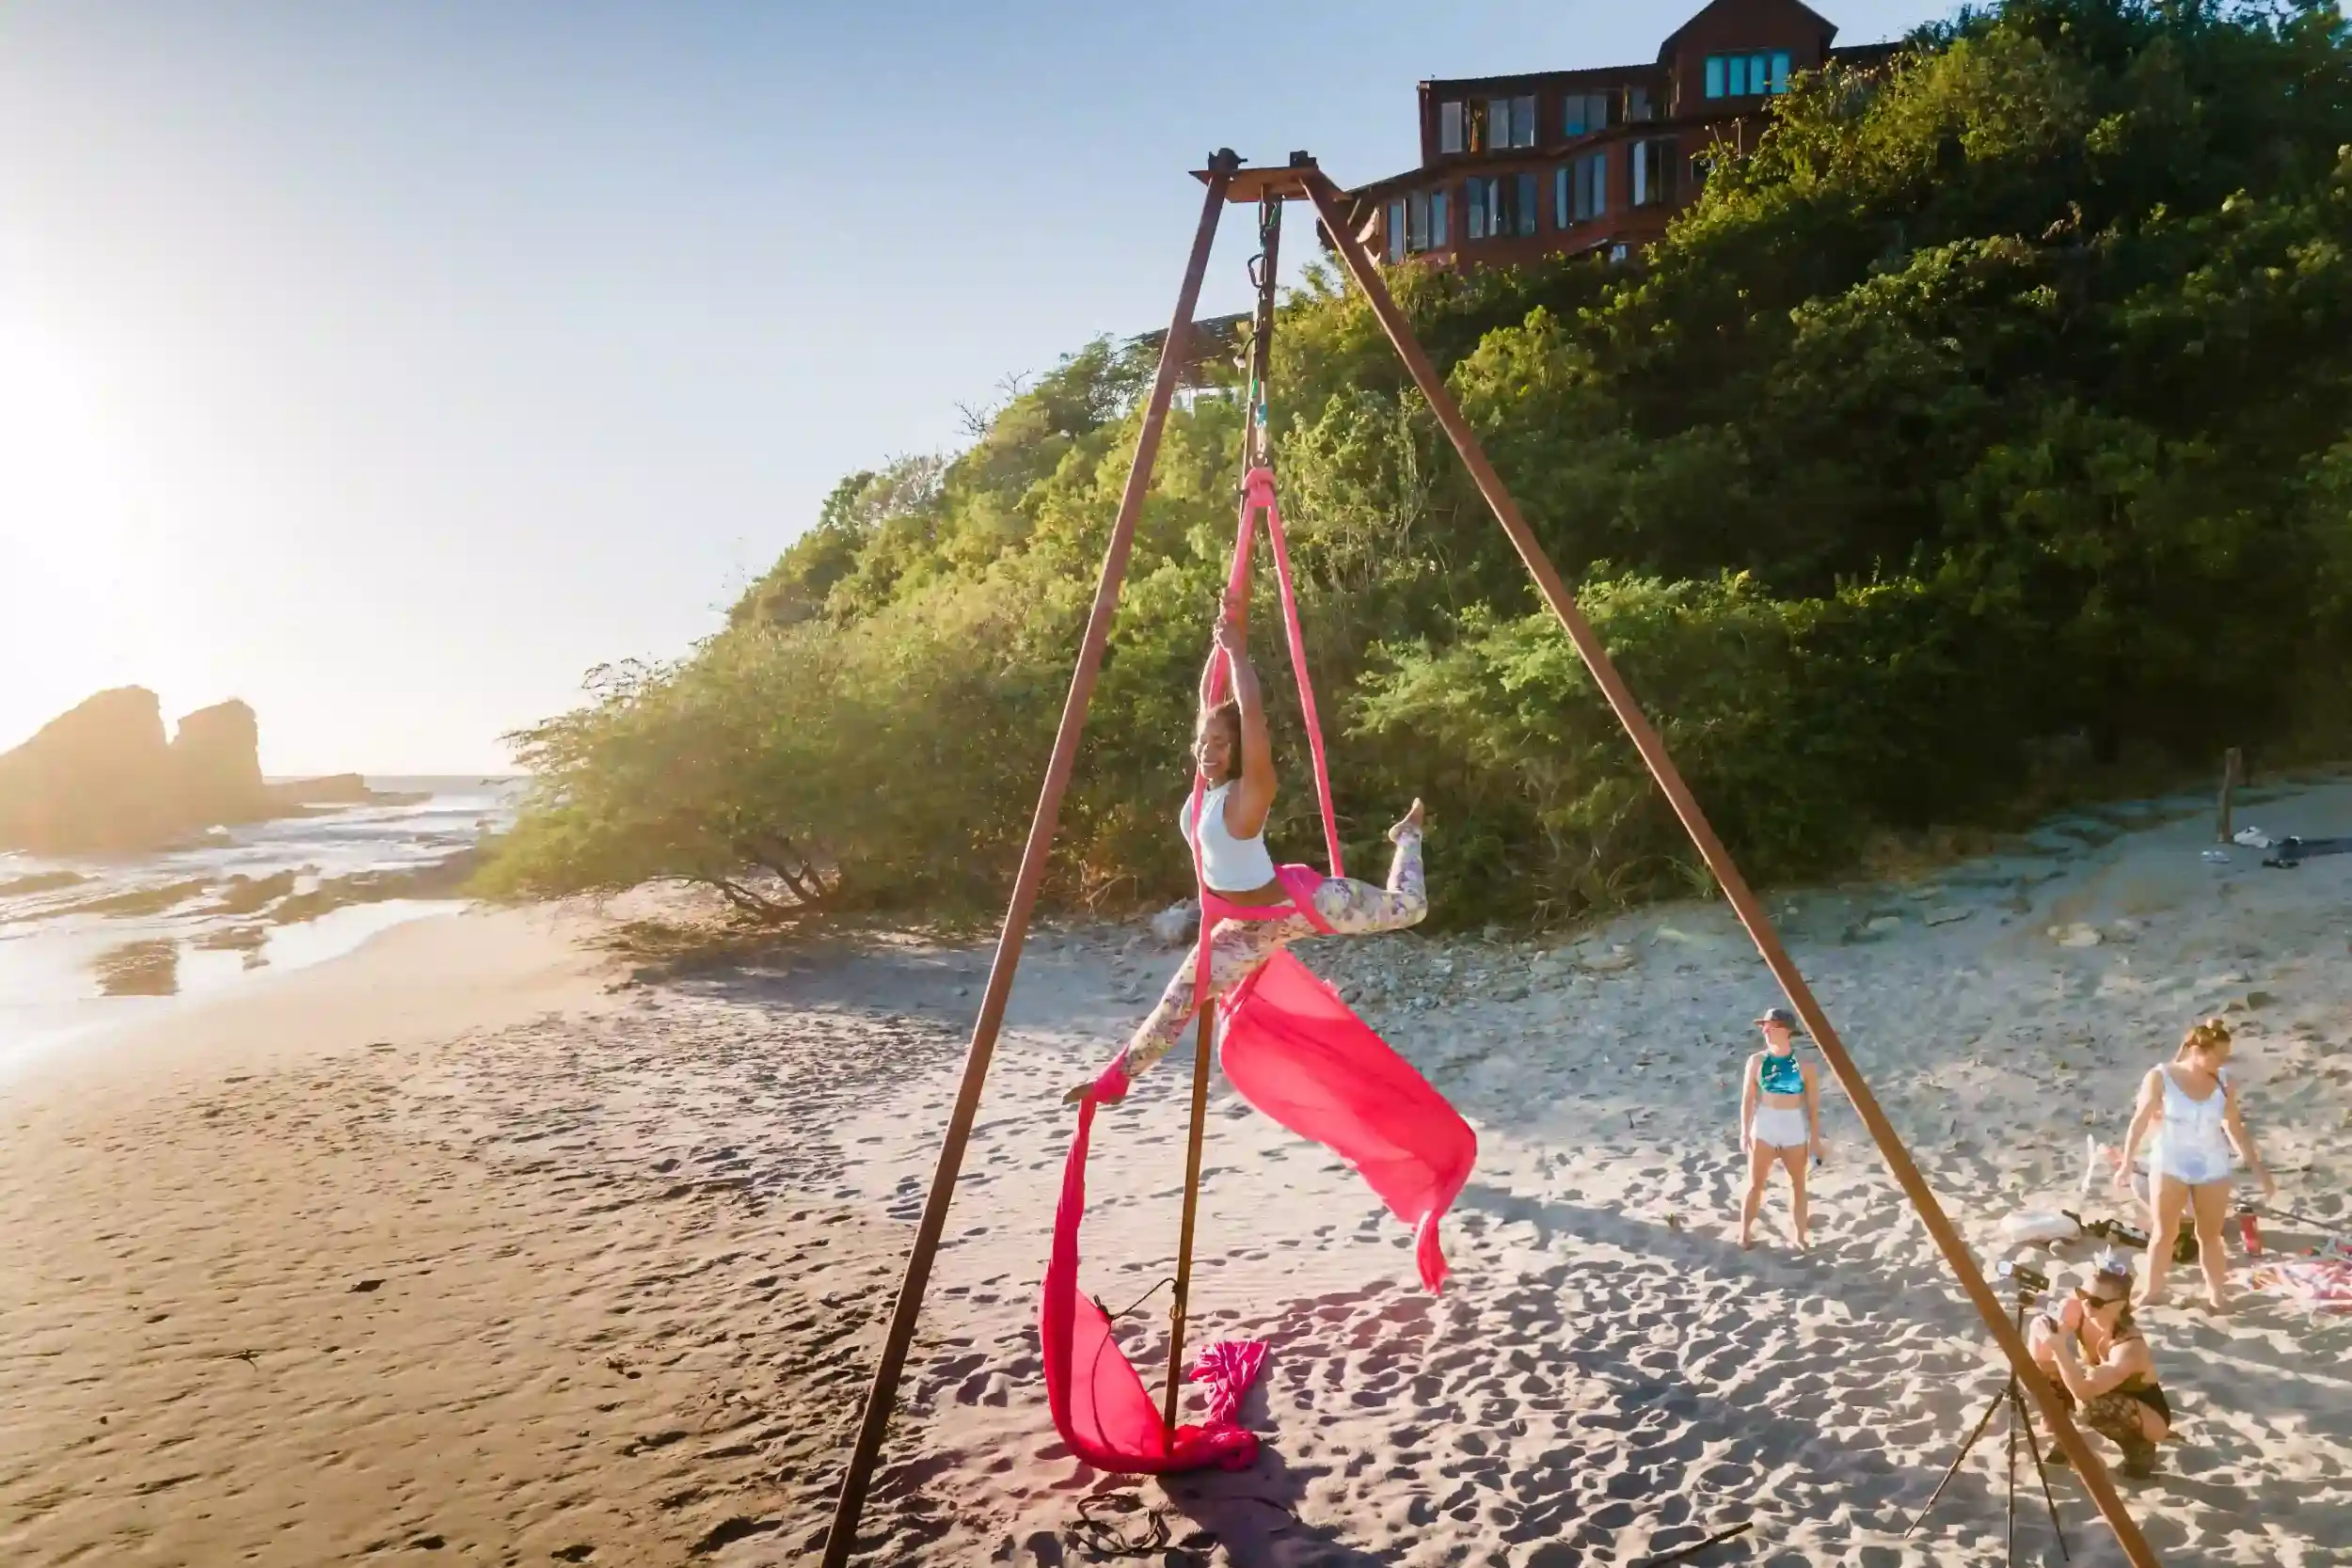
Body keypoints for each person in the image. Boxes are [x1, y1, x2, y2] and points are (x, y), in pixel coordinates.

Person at [1066, 581, 1427, 1104]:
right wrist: (1221, 635)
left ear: (1238, 752)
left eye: (1221, 744)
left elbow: (1251, 715)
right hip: (1243, 929)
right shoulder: (1202, 796)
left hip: (1302, 905)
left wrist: (1238, 651)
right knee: (1180, 997)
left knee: (1410, 909)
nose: (1208, 751)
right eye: (1204, 742)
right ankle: (1116, 1079)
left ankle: (1408, 836)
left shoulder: (1247, 794)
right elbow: (1207, 702)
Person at [2114, 1016, 2275, 1311]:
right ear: (2197, 1051)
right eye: (2218, 1056)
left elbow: (2235, 1127)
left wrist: (2258, 1169)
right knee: (2165, 1232)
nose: (2222, 1062)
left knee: (2210, 1235)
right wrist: (2126, 1162)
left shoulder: (2224, 1081)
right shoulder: (2161, 1076)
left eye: (2226, 1056)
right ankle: (2152, 1290)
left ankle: (2216, 1293)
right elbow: (2139, 1121)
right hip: (2170, 1161)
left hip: (2212, 1163)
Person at [2026, 1249, 2172, 1478]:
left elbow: (2084, 1392)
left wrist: (2058, 1347)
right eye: (2082, 1293)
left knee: (2090, 1404)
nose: (2086, 1304)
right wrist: (2048, 1330)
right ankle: (2064, 1433)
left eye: (2095, 1301)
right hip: (2101, 1386)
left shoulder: (2130, 1347)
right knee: (2043, 1344)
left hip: (2147, 1415)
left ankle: (2138, 1448)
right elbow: (2042, 1355)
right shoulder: (2079, 1310)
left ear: (2119, 1305)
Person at [1738, 1006, 1824, 1250]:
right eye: (1764, 1025)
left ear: (1787, 1031)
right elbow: (1747, 1098)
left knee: (1798, 1184)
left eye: (1772, 1025)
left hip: (1793, 1127)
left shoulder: (1805, 1066)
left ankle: (1799, 1236)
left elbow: (1813, 1106)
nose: (1765, 1030)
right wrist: (1744, 1131)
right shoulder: (1756, 1061)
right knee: (1755, 1183)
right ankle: (1744, 1232)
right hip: (1764, 1125)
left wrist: (1815, 1138)